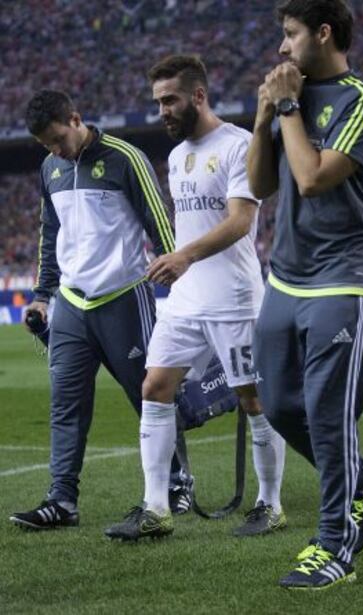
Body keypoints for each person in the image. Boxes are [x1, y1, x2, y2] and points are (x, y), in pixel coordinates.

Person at [105, 54, 286, 541]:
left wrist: (183, 256)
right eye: (158, 102)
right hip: (184, 300)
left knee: (253, 399)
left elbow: (239, 222)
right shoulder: (178, 156)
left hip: (233, 298)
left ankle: (270, 504)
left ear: (199, 96)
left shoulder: (238, 146)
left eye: (170, 100)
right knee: (154, 389)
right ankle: (157, 509)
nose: (162, 110)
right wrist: (181, 264)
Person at [247, 0, 363, 590]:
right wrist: (264, 118)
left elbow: (310, 179)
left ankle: (335, 545)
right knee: (280, 406)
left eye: (290, 34)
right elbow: (262, 185)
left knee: (328, 418)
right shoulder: (291, 98)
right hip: (285, 276)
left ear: (324, 33)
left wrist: (286, 106)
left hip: (343, 278)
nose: (282, 48)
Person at [9, 89, 192, 531]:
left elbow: (158, 219)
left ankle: (177, 484)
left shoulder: (125, 158)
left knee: (151, 394)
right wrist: (41, 293)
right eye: (45, 145)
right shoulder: (51, 167)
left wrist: (181, 276)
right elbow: (49, 232)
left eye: (57, 139)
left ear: (75, 118)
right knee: (65, 405)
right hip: (72, 303)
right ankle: (62, 501)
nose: (54, 150)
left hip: (124, 297)